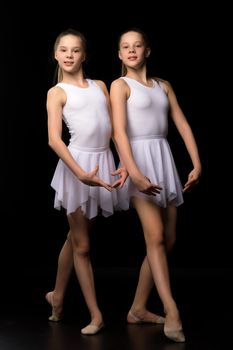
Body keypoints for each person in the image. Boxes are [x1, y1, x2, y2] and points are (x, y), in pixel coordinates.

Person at [110, 28, 202, 343]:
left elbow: (181, 122)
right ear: (120, 55)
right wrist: (133, 171)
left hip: (163, 159)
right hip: (137, 161)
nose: (132, 50)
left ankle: (137, 308)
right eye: (126, 47)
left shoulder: (163, 86)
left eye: (137, 45)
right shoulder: (120, 86)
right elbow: (118, 132)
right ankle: (171, 309)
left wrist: (196, 162)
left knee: (169, 239)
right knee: (156, 236)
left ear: (147, 51)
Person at [45, 28, 127, 335]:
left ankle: (57, 296)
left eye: (75, 50)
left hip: (103, 162)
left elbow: (113, 128)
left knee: (75, 237)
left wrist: (123, 163)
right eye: (63, 50)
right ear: (56, 55)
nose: (69, 55)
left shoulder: (101, 86)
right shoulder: (57, 92)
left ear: (84, 55)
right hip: (76, 167)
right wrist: (79, 173)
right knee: (82, 244)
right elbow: (54, 139)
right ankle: (96, 315)